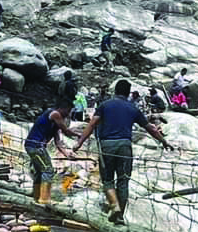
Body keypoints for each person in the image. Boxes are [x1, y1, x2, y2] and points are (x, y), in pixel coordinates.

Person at [72, 78, 173, 223]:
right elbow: (150, 128)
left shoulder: (105, 105)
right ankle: (119, 216)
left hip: (107, 145)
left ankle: (115, 207)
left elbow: (92, 123)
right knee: (123, 181)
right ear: (127, 93)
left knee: (107, 180)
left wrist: (79, 143)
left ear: (115, 91)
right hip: (125, 146)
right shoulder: (133, 108)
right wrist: (164, 141)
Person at [24, 101, 78, 202]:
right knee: (48, 170)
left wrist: (67, 155)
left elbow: (58, 142)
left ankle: (36, 196)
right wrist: (81, 136)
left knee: (40, 171)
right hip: (36, 146)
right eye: (69, 111)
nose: (68, 114)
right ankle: (45, 199)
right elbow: (66, 131)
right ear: (64, 108)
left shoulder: (55, 125)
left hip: (32, 146)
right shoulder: (54, 114)